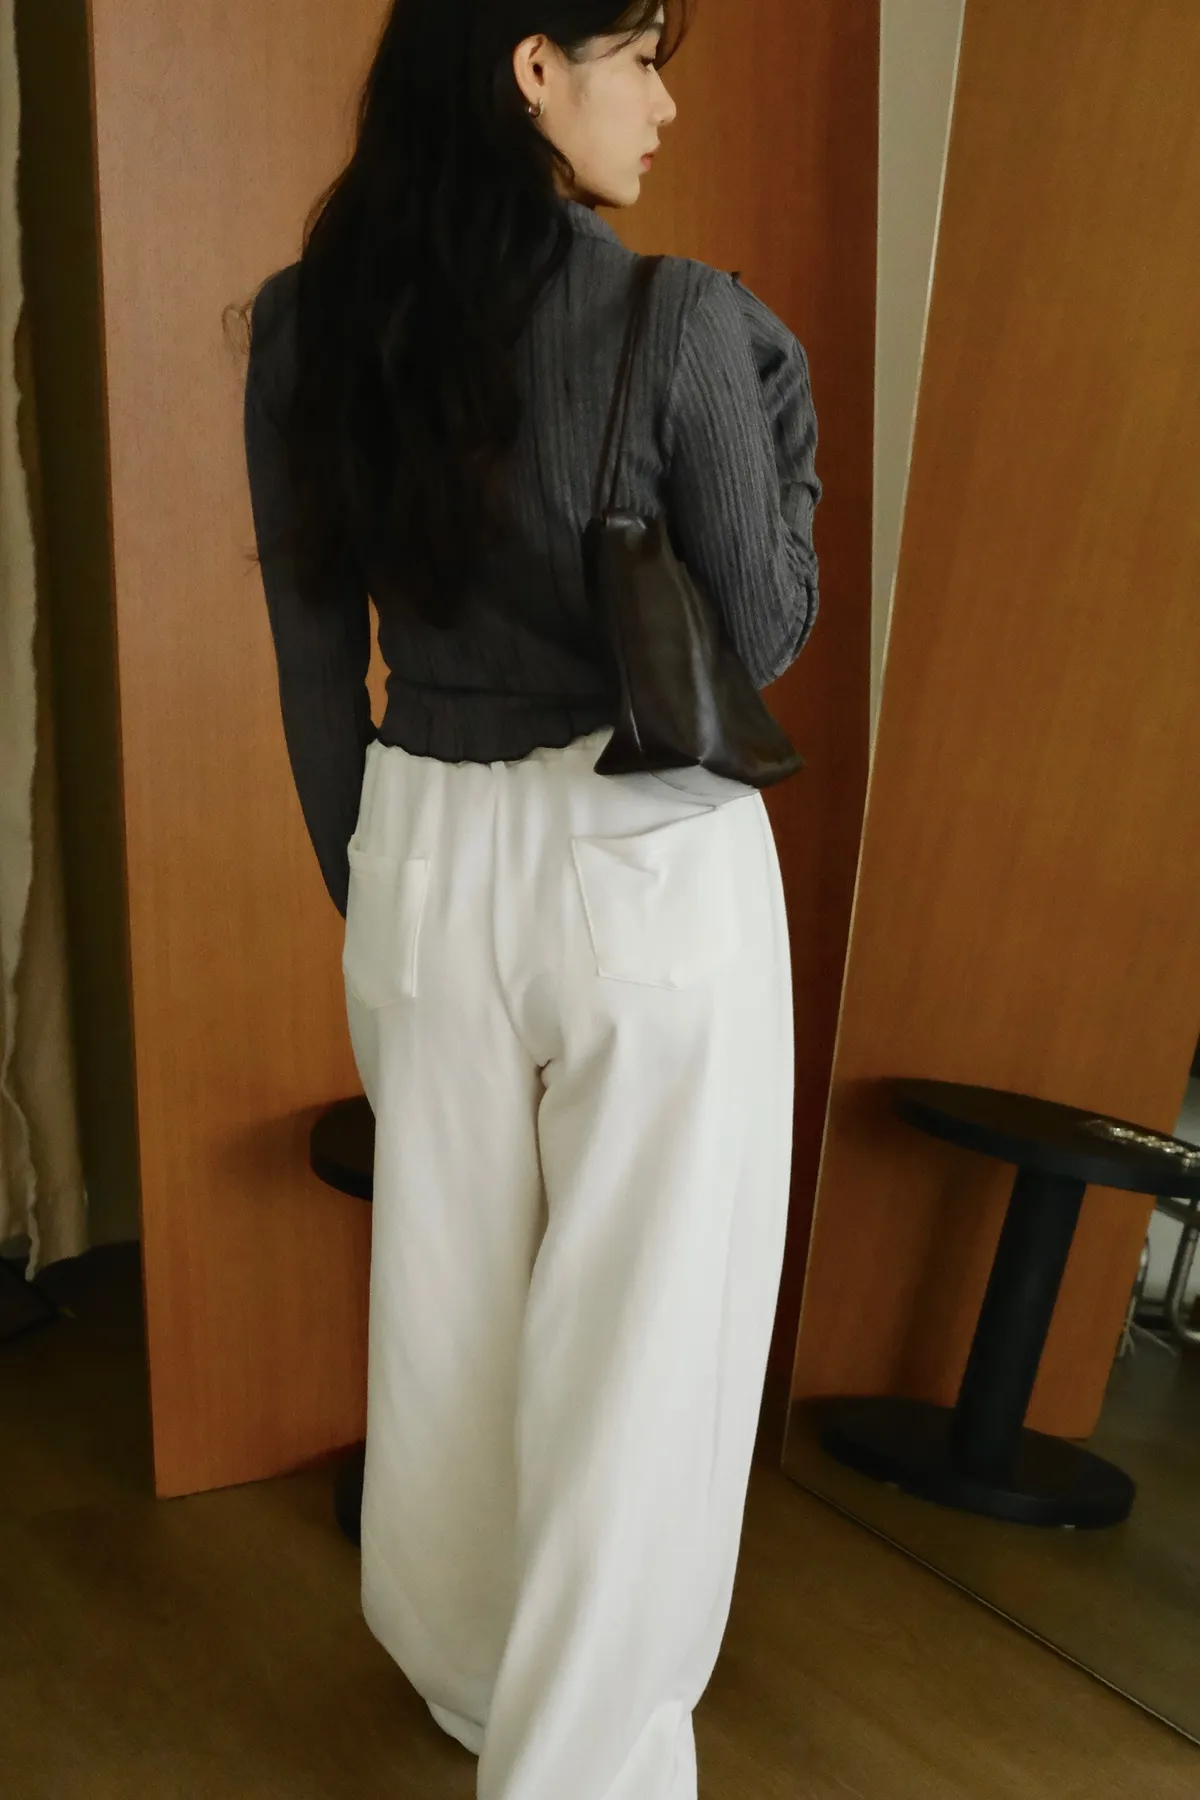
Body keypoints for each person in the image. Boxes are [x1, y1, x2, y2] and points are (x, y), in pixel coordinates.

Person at [241, 2, 821, 1794]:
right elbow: (763, 625)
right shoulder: (681, 319)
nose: (662, 105)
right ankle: (579, 1766)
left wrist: (384, 895)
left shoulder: (306, 325)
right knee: (645, 1339)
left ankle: (477, 1685)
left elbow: (314, 666)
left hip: (419, 839)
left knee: (448, 1320)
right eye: (640, 57)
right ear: (534, 70)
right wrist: (780, 406)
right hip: (644, 850)